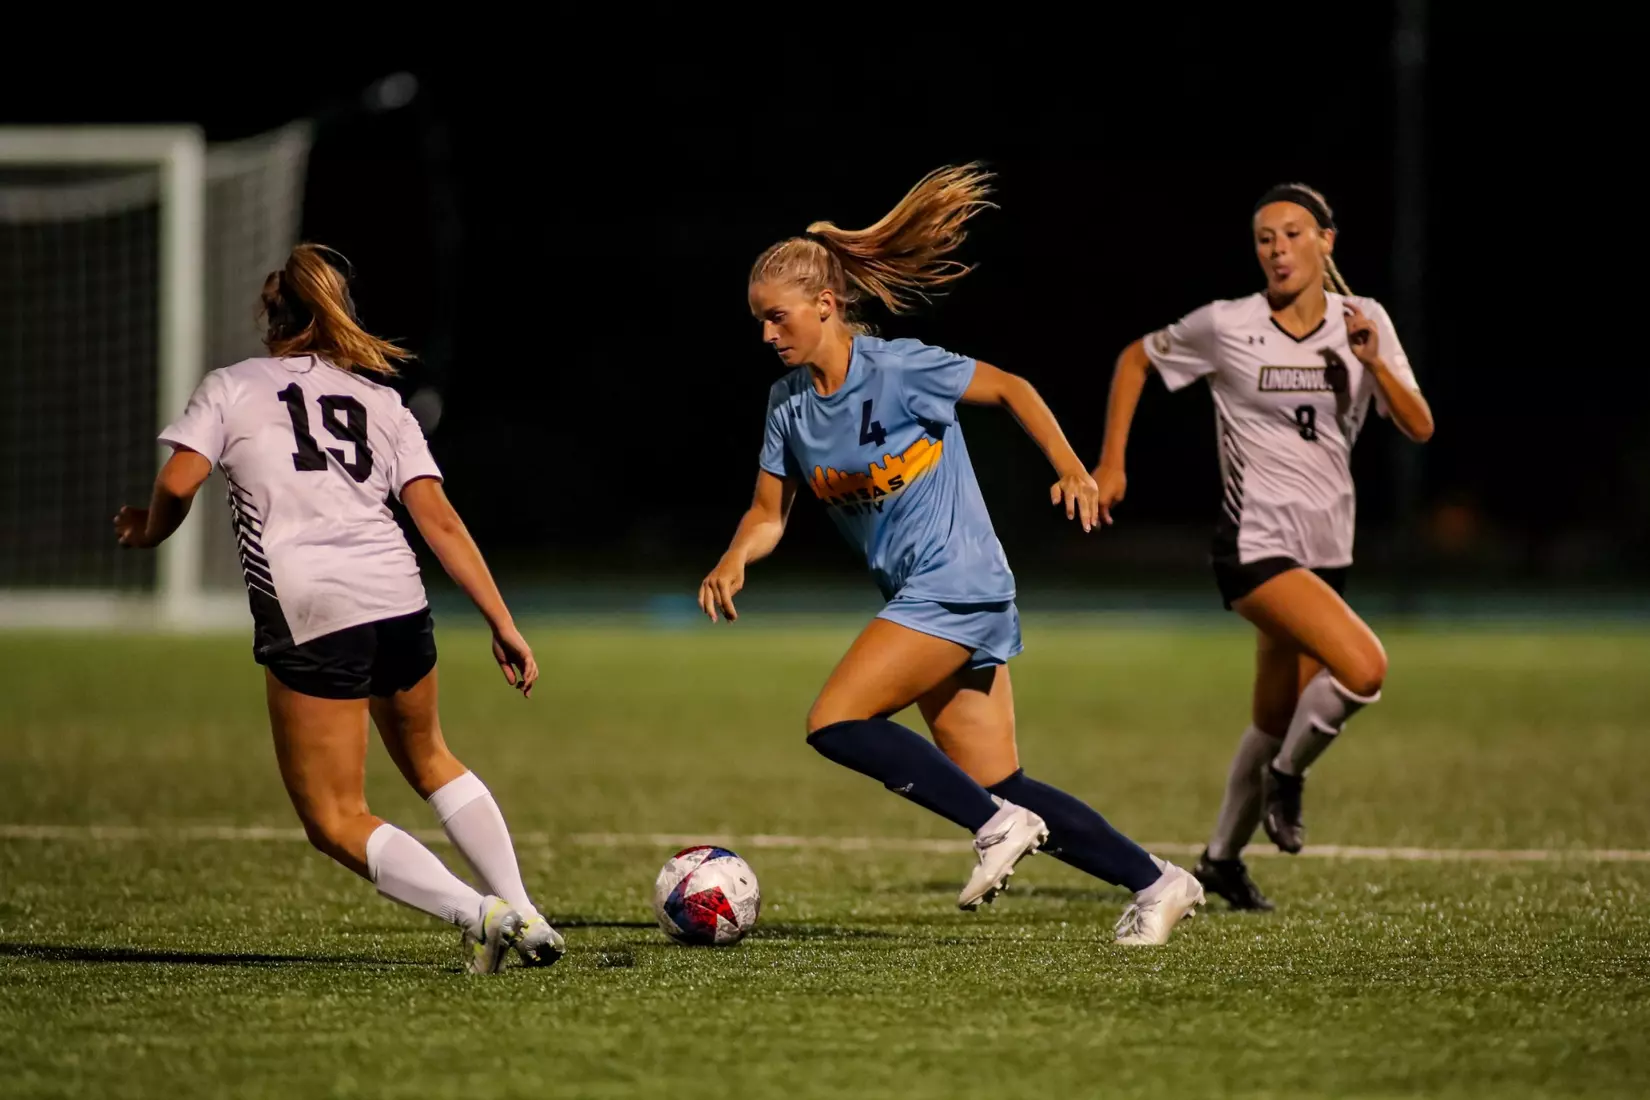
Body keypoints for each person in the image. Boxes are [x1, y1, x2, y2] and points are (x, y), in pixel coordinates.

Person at [698, 164, 1204, 946]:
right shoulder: (788, 406)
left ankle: (994, 826)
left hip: (955, 583)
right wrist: (736, 558)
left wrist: (1072, 468)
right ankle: (1158, 882)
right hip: (928, 595)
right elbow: (768, 515)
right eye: (759, 321)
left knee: (835, 720)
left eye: (776, 317)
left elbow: (1012, 388)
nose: (766, 334)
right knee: (1002, 782)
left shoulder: (898, 368)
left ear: (825, 305)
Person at [113, 243, 564, 971]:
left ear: (271, 317)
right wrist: (502, 622)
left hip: (313, 608)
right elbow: (440, 522)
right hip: (398, 597)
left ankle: (483, 915)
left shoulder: (232, 386)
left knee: (334, 816)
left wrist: (149, 530)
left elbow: (178, 481)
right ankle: (527, 910)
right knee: (431, 758)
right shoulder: (382, 402)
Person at [1090, 184, 1434, 909]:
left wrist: (1374, 362)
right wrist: (1112, 464)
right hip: (1253, 544)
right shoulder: (1228, 324)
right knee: (1364, 668)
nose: (1278, 249)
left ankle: (1220, 859)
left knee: (1276, 718)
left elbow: (1419, 425)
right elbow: (1133, 360)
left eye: (1293, 233)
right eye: (1265, 238)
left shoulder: (1364, 320)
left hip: (1327, 546)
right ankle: (1288, 778)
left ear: (1326, 242)